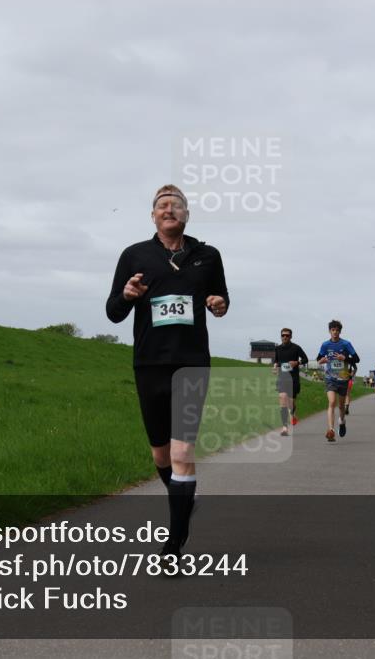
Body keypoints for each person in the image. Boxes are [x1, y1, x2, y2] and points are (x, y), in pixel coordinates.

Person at [106, 184, 229, 564]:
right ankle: (184, 499)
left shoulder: (207, 255)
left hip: (191, 364)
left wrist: (218, 303)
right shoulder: (134, 255)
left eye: (177, 204)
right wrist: (127, 295)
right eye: (162, 204)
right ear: (153, 215)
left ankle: (173, 546)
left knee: (182, 451)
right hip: (149, 364)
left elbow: (222, 299)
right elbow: (113, 312)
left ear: (187, 214)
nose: (169, 208)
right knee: (160, 454)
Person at [316, 320, 360, 442]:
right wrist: (321, 360)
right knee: (331, 402)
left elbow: (357, 359)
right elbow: (319, 358)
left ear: (340, 331)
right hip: (330, 378)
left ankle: (342, 421)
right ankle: (331, 430)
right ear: (329, 331)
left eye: (337, 330)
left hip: (343, 378)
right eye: (333, 330)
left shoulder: (346, 344)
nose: (335, 332)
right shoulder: (325, 345)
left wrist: (345, 358)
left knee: (341, 406)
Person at [272, 328, 309, 436]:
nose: (285, 337)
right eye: (283, 335)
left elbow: (305, 359)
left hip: (293, 379)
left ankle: (293, 413)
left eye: (287, 335)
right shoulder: (277, 348)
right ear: (281, 336)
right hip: (282, 378)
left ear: (291, 337)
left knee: (291, 403)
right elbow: (276, 361)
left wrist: (297, 362)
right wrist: (275, 367)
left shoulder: (296, 348)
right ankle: (284, 427)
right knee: (282, 398)